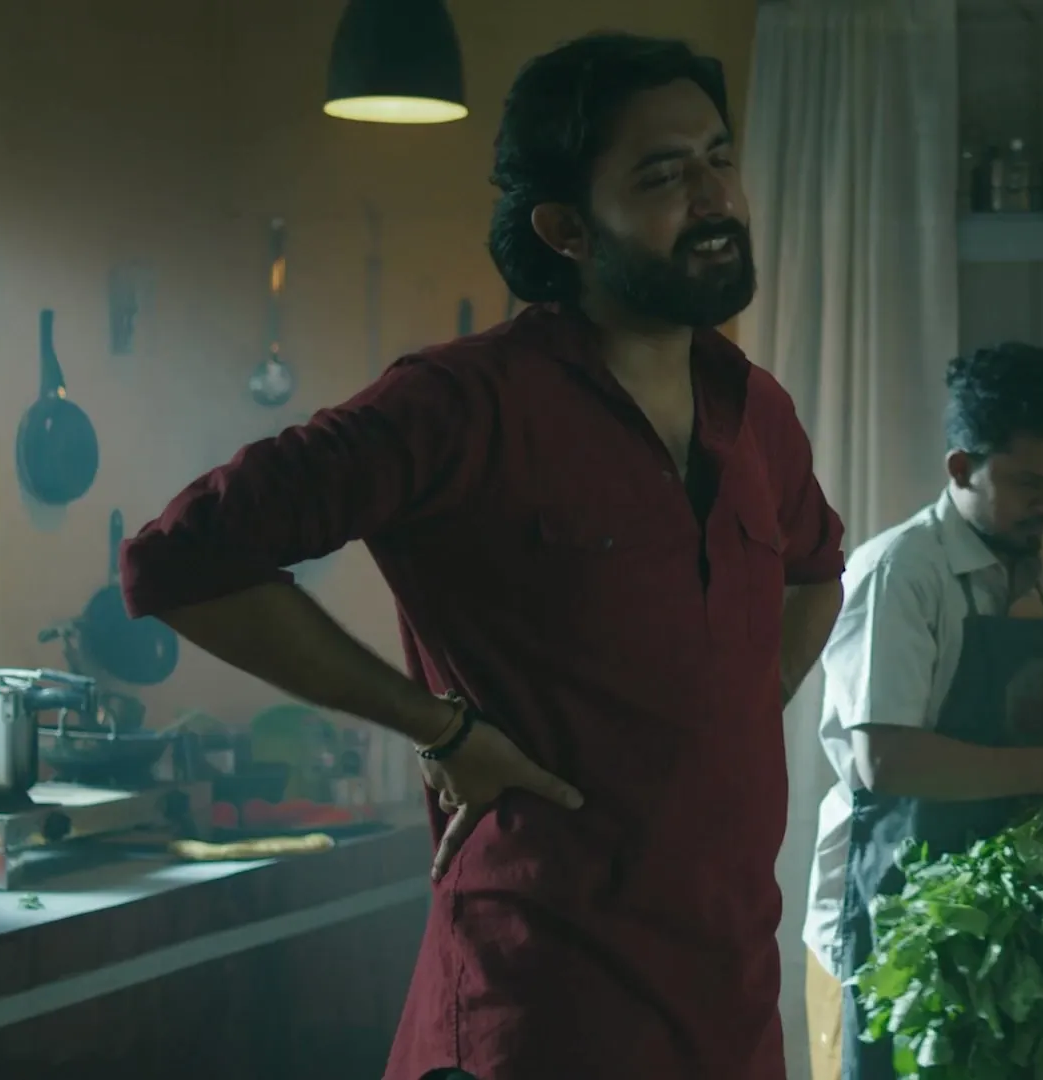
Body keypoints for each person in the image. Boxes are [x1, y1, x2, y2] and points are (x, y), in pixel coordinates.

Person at [118, 33, 847, 1080]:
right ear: (566, 229)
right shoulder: (464, 404)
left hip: (731, 1014)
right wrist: (439, 726)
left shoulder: (755, 409)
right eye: (663, 175)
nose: (715, 197)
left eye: (718, 157)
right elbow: (179, 559)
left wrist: (735, 702)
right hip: (536, 1014)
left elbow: (818, 569)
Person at [800, 343, 1043, 1080]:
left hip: (991, 912)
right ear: (961, 468)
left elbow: (1028, 734)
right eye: (1027, 482)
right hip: (882, 910)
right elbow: (884, 759)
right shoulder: (900, 570)